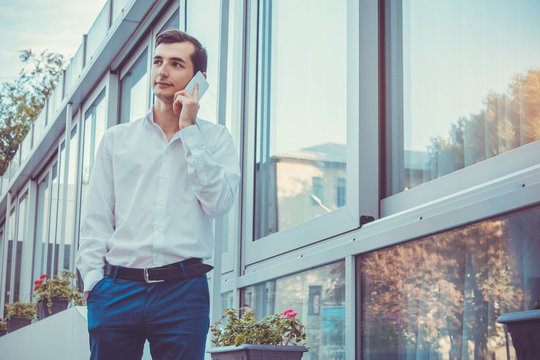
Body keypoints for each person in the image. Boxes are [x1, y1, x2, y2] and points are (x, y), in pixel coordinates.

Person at [75, 29, 240, 360]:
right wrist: (94, 285)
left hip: (183, 292)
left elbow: (218, 203)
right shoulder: (115, 139)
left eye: (176, 64)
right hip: (116, 291)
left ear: (199, 79)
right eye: (157, 61)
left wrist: (189, 131)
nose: (162, 71)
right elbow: (96, 219)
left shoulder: (216, 139)